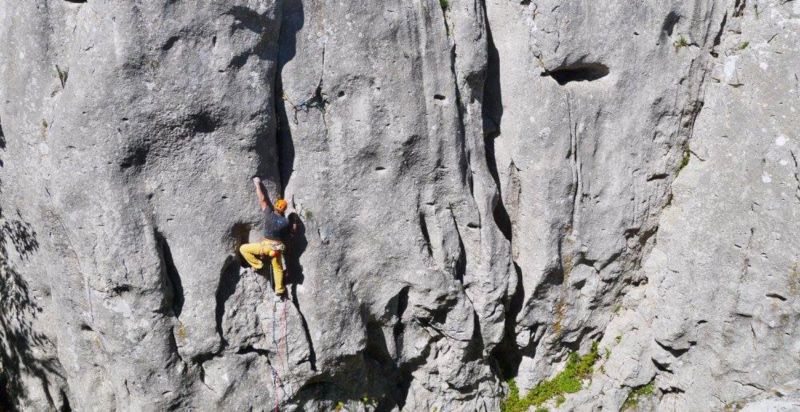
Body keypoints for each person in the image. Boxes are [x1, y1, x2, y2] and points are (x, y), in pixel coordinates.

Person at [239, 176, 291, 297]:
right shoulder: (285, 222)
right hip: (276, 249)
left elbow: (262, 198)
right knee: (277, 269)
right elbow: (286, 236)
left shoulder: (269, 214)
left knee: (243, 249)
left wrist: (257, 184)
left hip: (264, 247)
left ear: (276, 206)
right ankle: (279, 290)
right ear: (284, 210)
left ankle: (258, 264)